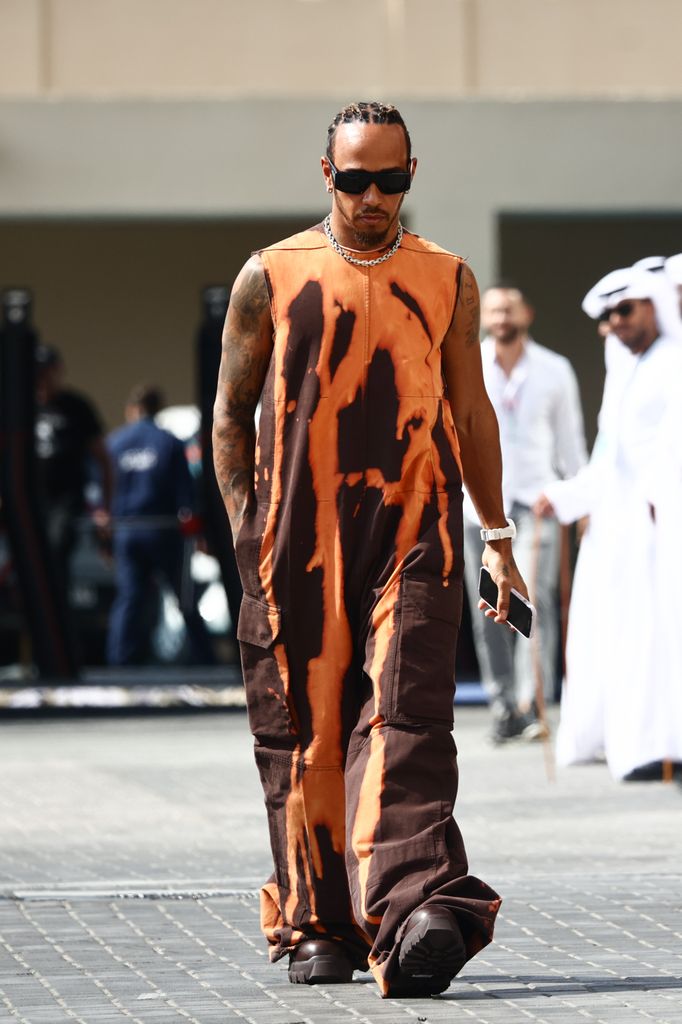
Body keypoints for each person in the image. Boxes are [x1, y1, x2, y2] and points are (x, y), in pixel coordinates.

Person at [212, 101, 529, 998]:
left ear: (411, 176)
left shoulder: (448, 278)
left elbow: (471, 411)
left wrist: (497, 538)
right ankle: (320, 925)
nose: (373, 197)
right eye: (356, 180)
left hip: (415, 530)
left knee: (408, 714)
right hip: (295, 536)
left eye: (391, 180)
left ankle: (415, 908)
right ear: (327, 175)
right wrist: (249, 532)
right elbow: (232, 416)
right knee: (304, 735)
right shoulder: (270, 275)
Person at [536, 265, 682, 781]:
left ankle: (663, 746)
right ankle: (638, 744)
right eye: (606, 315)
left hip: (663, 529)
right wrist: (566, 496)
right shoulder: (628, 367)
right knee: (621, 635)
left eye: (625, 309)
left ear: (655, 305)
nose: (613, 323)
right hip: (620, 531)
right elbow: (609, 460)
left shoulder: (674, 364)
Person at [462, 285, 587, 744]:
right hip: (477, 504)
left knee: (535, 601)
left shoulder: (555, 369)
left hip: (538, 501)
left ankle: (531, 706)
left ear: (526, 314)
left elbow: (571, 440)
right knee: (486, 607)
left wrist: (579, 496)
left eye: (508, 309)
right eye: (493, 310)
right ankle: (501, 708)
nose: (500, 317)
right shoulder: (466, 362)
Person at [106, 384, 214, 666]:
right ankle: (205, 658)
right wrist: (197, 532)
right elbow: (185, 495)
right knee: (184, 597)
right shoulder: (170, 442)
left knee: (129, 598)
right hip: (163, 531)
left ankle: (119, 662)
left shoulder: (115, 443)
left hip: (126, 530)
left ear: (131, 410)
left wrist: (104, 533)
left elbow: (104, 489)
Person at [35, 343, 112, 587]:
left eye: (47, 371)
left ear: (57, 371)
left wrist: (104, 506)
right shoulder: (22, 409)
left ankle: (56, 615)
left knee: (56, 550)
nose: (42, 378)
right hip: (31, 498)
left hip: (66, 499)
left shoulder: (75, 406)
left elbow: (104, 460)